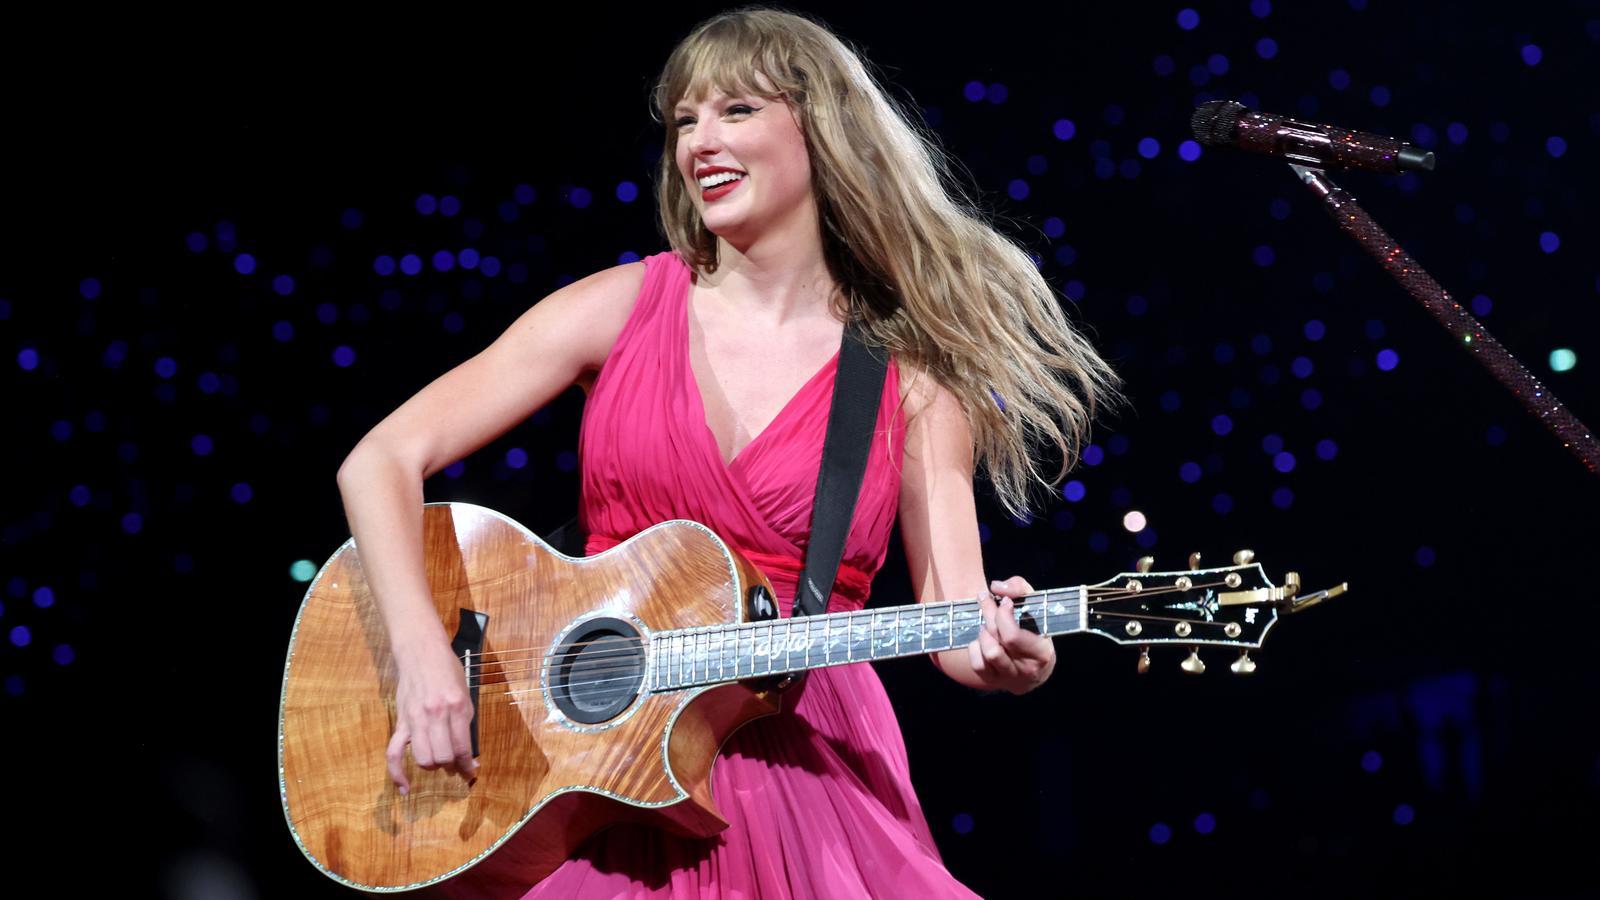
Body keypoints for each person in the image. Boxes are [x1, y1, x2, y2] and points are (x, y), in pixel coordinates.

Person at [334, 7, 1118, 897]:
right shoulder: (618, 306)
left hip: (798, 764)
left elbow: (953, 617)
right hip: (597, 760)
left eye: (736, 110)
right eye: (684, 121)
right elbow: (381, 459)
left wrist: (1008, 655)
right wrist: (424, 660)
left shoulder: (911, 378)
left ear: (821, 127)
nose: (700, 141)